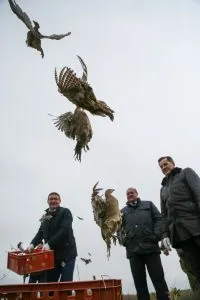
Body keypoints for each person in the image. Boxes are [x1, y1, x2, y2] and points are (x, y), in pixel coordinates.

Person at [118, 187, 169, 300]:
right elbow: (118, 229)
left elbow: (159, 219)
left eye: (132, 192)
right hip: (133, 252)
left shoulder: (148, 205)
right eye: (128, 193)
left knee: (158, 279)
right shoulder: (122, 212)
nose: (130, 194)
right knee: (139, 283)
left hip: (151, 248)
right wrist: (124, 241)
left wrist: (155, 236)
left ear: (137, 193)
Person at [158, 156, 200, 285]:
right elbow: (164, 215)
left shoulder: (185, 173)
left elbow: (198, 193)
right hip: (180, 234)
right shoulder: (163, 189)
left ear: (173, 163)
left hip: (196, 226)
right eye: (161, 167)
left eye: (165, 164)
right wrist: (164, 235)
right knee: (196, 267)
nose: (163, 167)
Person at [27, 192, 77, 283]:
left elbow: (65, 230)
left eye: (56, 199)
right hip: (52, 256)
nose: (53, 201)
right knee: (51, 283)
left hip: (67, 254)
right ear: (47, 201)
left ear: (60, 201)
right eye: (51, 199)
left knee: (66, 283)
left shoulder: (65, 212)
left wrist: (49, 244)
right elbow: (40, 233)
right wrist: (32, 244)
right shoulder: (45, 217)